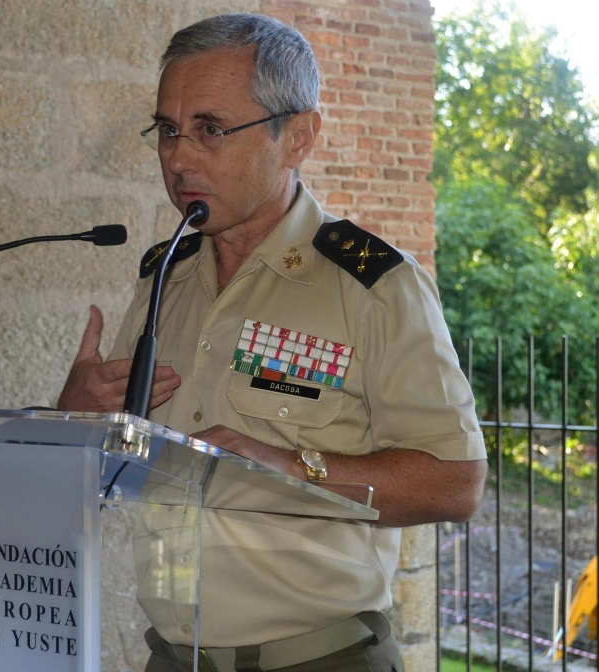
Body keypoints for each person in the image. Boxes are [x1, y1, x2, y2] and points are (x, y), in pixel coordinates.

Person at [58, 13, 487, 672]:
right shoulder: (163, 279)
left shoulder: (372, 288)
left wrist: (290, 466)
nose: (178, 157)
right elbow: (124, 460)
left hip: (321, 658)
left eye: (210, 129)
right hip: (170, 657)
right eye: (168, 131)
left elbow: (455, 483)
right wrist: (77, 420)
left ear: (299, 136)